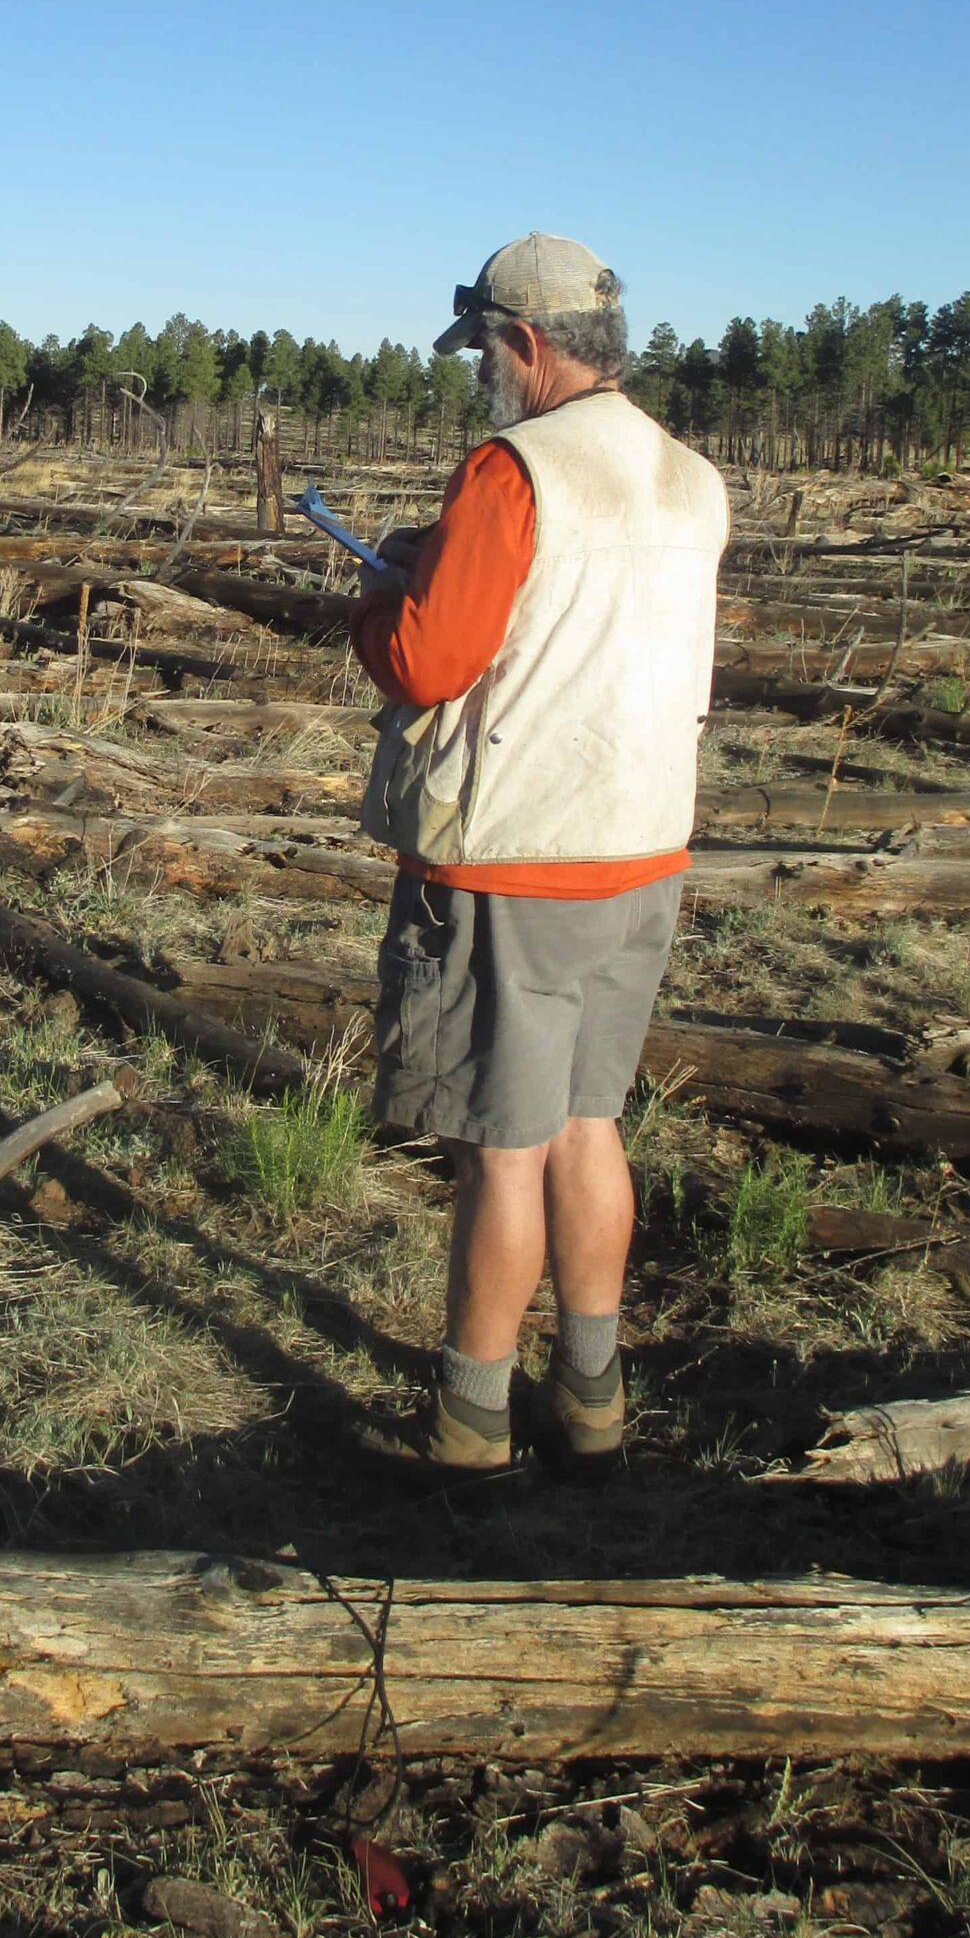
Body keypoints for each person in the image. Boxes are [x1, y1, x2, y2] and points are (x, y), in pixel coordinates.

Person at [350, 233, 729, 1479]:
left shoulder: (512, 473)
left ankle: (468, 1426)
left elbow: (428, 662)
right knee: (589, 1125)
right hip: (643, 854)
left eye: (486, 356)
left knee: (497, 1151)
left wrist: (380, 594)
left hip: (514, 862)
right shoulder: (689, 475)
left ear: (525, 343)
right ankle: (595, 1395)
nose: (482, 383)